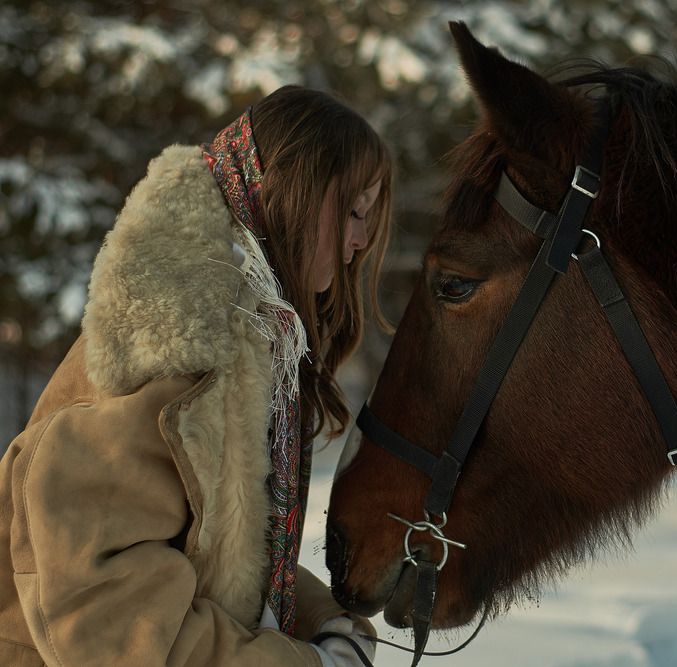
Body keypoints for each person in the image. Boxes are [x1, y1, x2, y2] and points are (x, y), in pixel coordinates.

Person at [0, 85, 392, 666]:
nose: (360, 243)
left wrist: (320, 618)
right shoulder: (172, 338)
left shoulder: (244, 333)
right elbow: (107, 612)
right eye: (355, 211)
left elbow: (214, 558)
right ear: (295, 194)